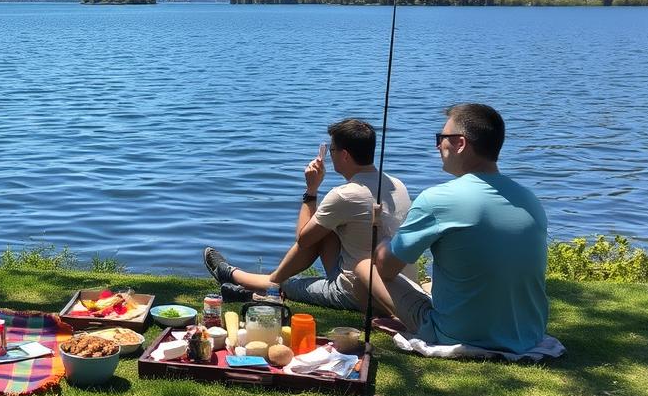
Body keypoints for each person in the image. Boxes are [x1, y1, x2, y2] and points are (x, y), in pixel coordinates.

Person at [362, 103, 549, 353]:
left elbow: (386, 267)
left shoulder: (438, 199)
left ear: (460, 143)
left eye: (442, 138)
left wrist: (381, 231)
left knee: (366, 267)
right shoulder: (529, 199)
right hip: (528, 334)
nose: (438, 146)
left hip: (455, 334)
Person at [203, 118, 414, 311]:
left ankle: (235, 275)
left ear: (345, 155)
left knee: (289, 285)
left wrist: (311, 190)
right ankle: (260, 282)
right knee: (325, 228)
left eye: (331, 149)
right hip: (398, 285)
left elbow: (303, 239)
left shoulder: (345, 195)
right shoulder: (398, 185)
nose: (329, 155)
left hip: (358, 291)